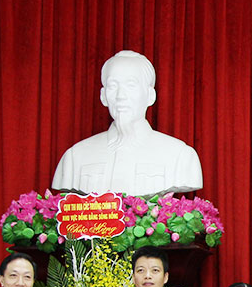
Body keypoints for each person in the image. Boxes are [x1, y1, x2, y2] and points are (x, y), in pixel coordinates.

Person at [51, 50, 203, 195]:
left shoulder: (180, 156)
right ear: (103, 96)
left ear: (150, 95)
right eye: (113, 86)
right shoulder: (75, 157)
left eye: (131, 85)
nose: (120, 96)